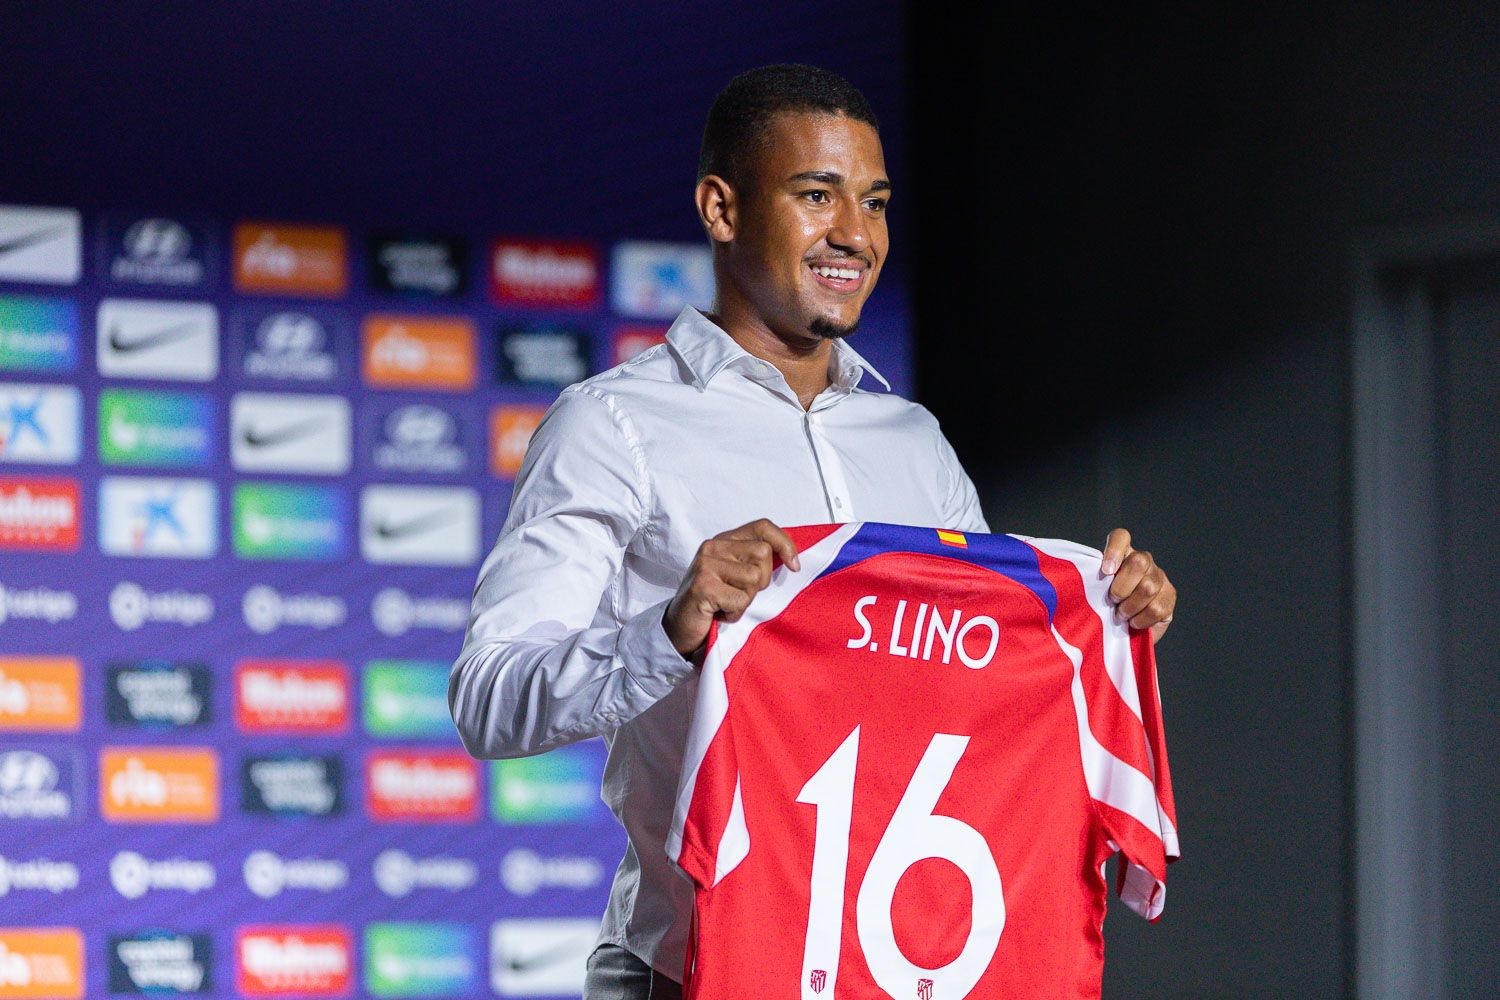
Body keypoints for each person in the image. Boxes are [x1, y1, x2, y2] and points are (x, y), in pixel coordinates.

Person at [449, 64, 1178, 1000]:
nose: (855, 235)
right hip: (684, 973)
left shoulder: (914, 442)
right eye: (816, 195)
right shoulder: (612, 424)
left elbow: (979, 686)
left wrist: (1106, 622)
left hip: (891, 969)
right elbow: (490, 699)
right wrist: (672, 631)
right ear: (721, 208)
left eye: (874, 203)